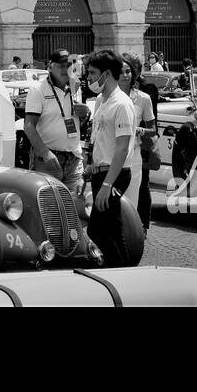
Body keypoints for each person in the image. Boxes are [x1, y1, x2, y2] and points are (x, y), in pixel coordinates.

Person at [83, 50, 135, 267]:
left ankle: (121, 271)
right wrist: (91, 166)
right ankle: (115, 270)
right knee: (107, 229)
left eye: (93, 73)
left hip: (114, 175)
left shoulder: (121, 104)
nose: (90, 78)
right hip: (101, 172)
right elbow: (100, 139)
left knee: (102, 229)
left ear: (106, 74)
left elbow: (122, 149)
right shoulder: (100, 100)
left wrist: (107, 184)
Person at [24, 50, 84, 199]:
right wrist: (46, 154)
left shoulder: (76, 86)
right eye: (61, 66)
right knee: (48, 206)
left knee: (74, 206)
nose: (66, 70)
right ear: (49, 67)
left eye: (69, 65)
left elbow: (75, 122)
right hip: (48, 159)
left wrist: (85, 114)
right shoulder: (38, 89)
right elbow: (29, 126)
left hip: (74, 157)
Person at [120, 53, 157, 235]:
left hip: (134, 154)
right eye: (121, 72)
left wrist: (140, 131)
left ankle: (133, 232)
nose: (125, 75)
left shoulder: (143, 98)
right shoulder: (105, 98)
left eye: (128, 71)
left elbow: (153, 129)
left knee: (134, 196)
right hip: (111, 154)